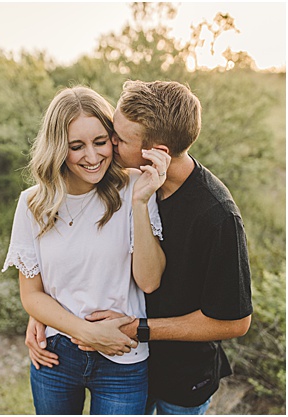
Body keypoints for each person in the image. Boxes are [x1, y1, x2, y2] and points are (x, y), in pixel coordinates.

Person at [25, 80, 252, 415]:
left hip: (179, 377)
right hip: (121, 359)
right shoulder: (128, 182)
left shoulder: (217, 216)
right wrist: (42, 313)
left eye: (117, 139)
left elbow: (235, 322)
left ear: (157, 153)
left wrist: (139, 329)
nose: (109, 145)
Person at [2, 86, 169, 414]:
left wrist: (138, 203)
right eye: (76, 146)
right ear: (57, 148)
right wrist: (88, 332)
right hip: (56, 354)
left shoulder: (136, 186)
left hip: (123, 355)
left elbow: (149, 282)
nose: (92, 158)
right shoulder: (32, 203)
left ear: (113, 139)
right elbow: (31, 295)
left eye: (100, 142)